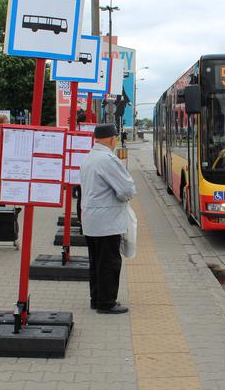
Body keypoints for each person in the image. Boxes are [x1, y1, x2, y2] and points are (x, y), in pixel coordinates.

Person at [80, 123, 136, 314]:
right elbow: (128, 189)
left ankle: (96, 299)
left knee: (95, 262)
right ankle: (107, 303)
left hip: (90, 219)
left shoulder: (89, 157)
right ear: (113, 139)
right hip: (107, 221)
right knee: (109, 263)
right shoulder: (107, 159)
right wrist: (124, 197)